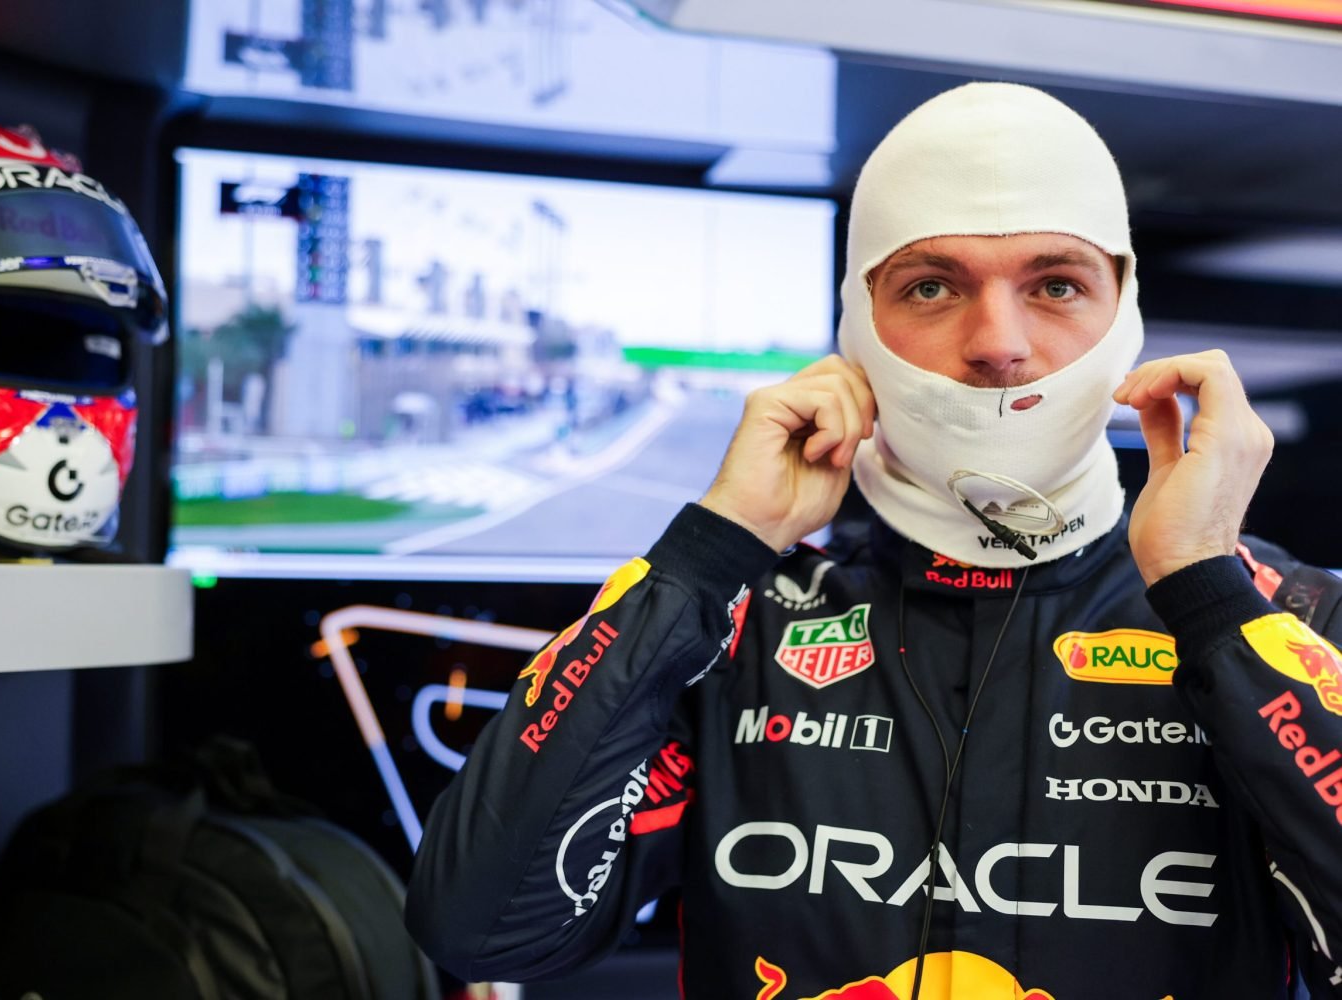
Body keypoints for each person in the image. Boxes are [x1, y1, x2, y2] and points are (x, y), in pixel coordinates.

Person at [405, 83, 1342, 999]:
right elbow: (484, 927)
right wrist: (714, 550)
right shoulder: (736, 629)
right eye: (931, 286)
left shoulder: (1288, 620)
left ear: (1123, 312)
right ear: (857, 326)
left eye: (1057, 285)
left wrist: (1208, 596)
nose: (999, 342)